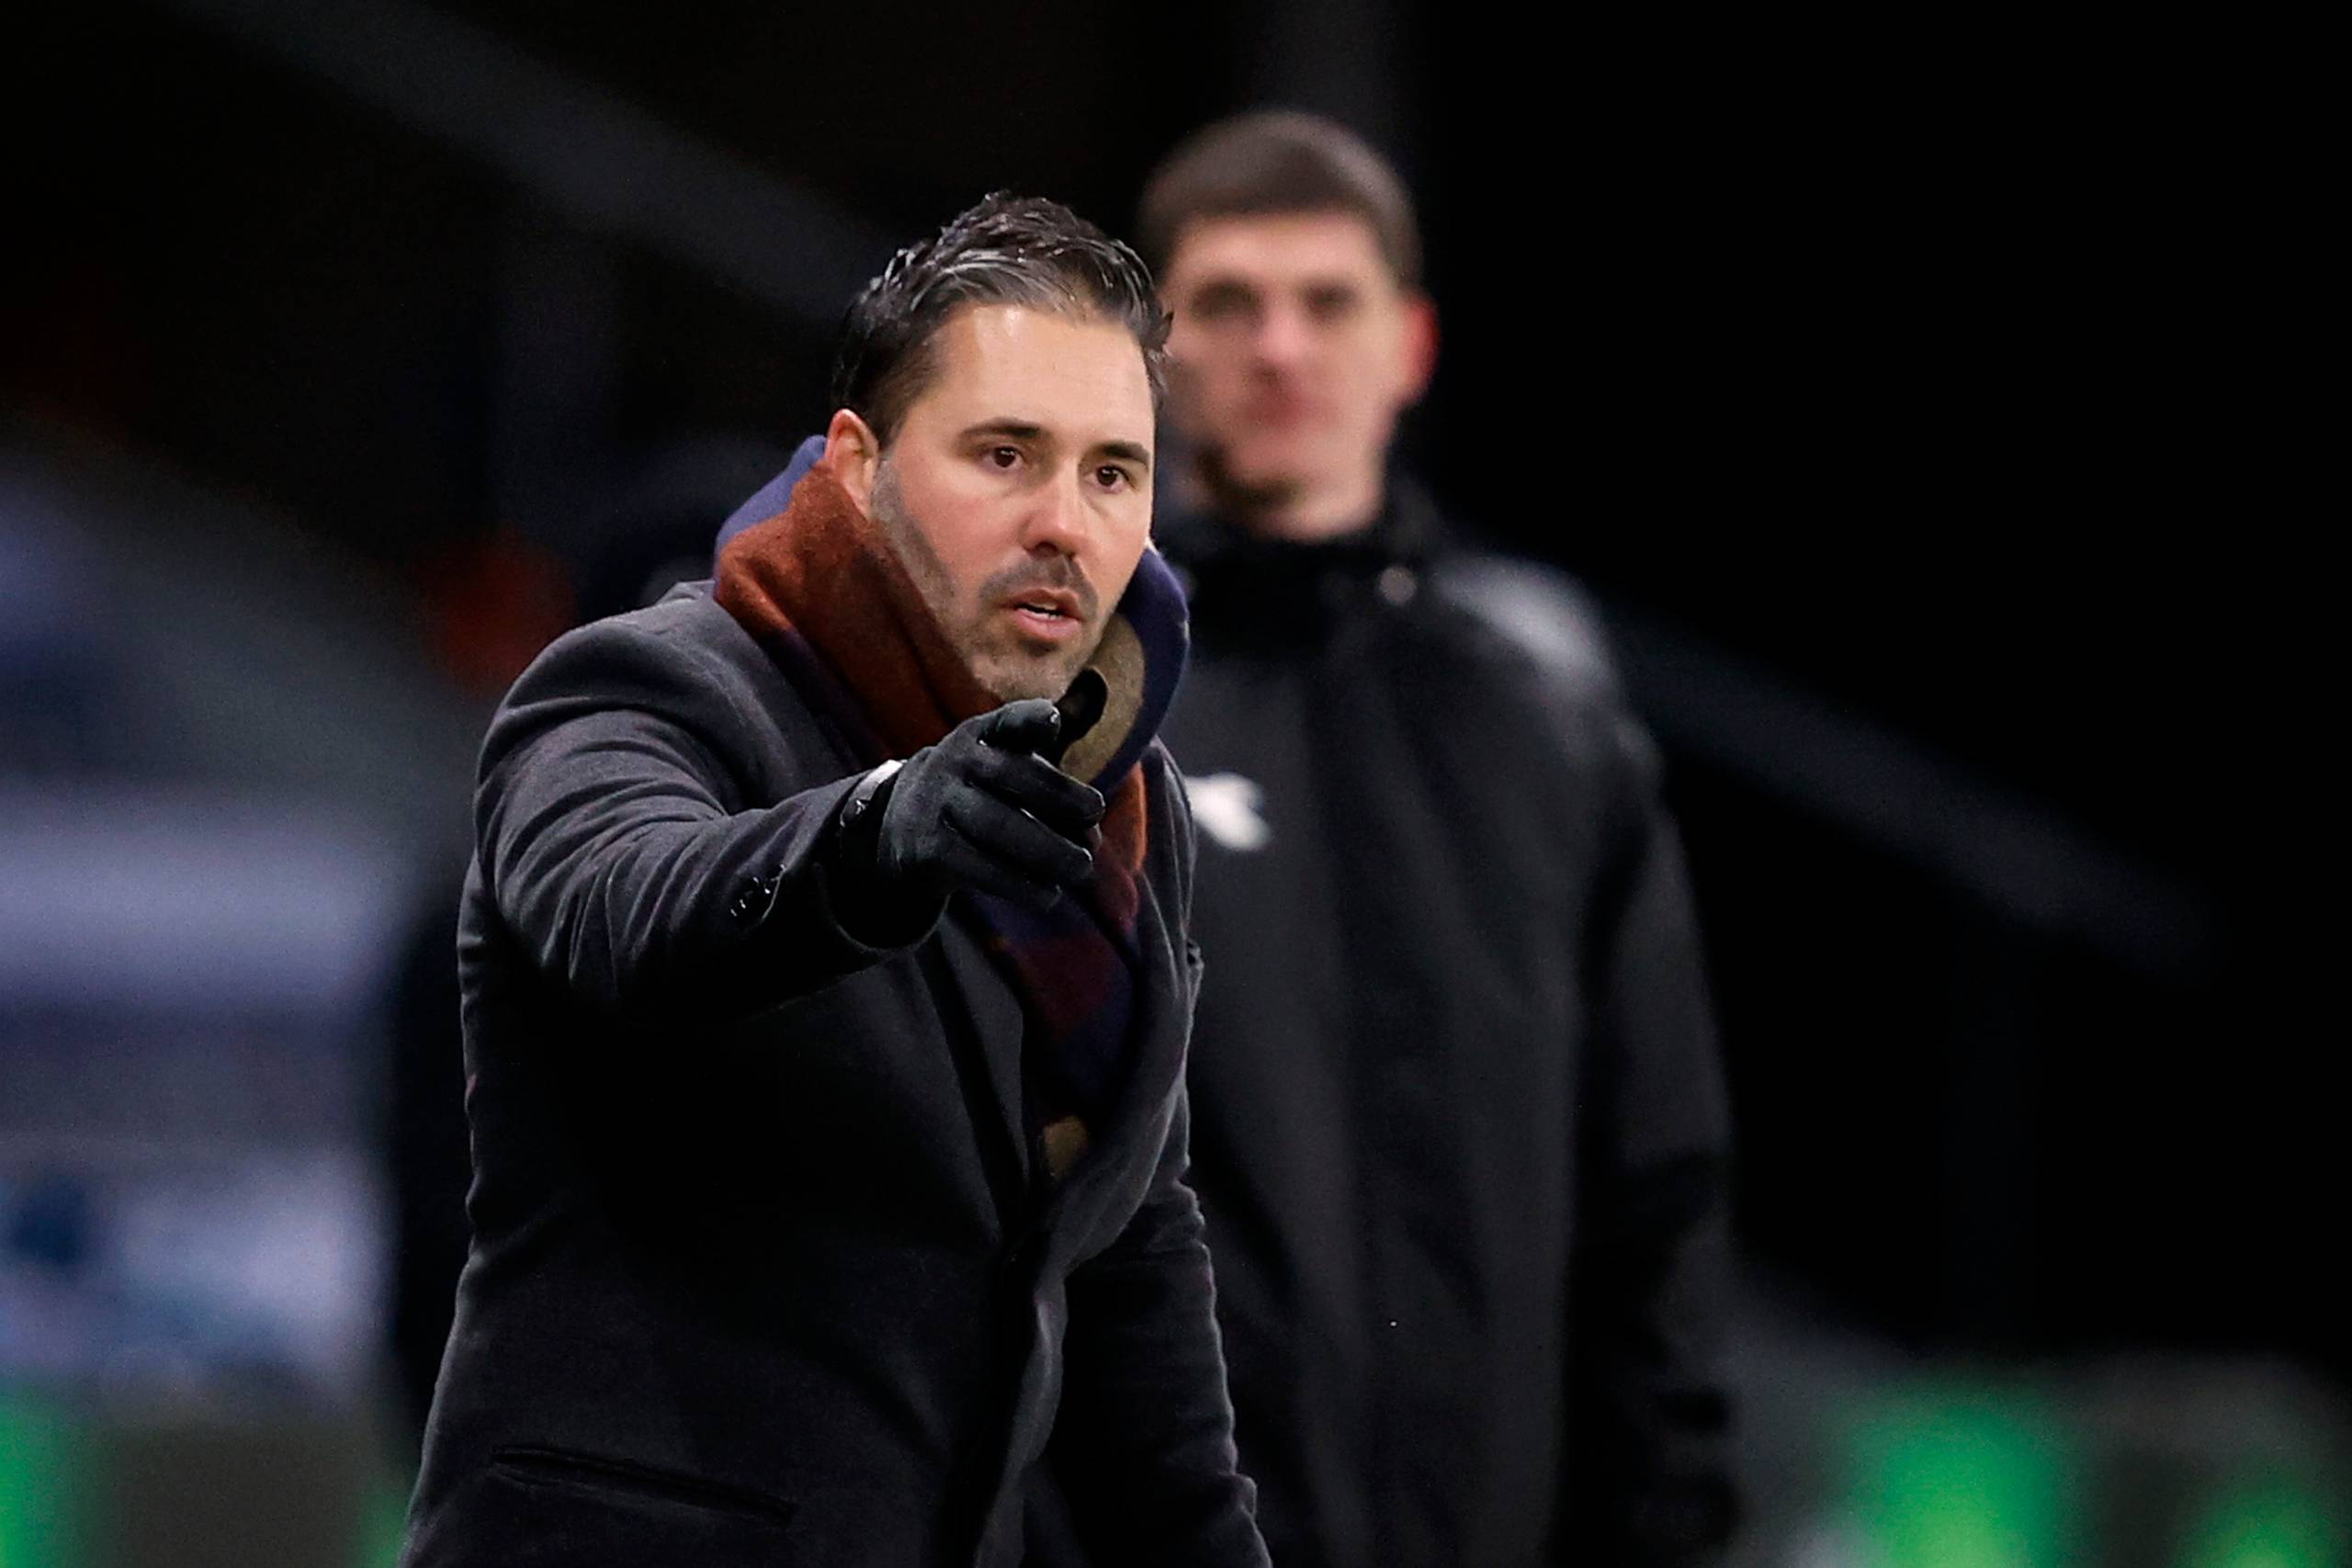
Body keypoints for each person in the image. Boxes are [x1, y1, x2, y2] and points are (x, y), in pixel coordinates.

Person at [401, 194, 1270, 1568]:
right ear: (861, 466)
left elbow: (1129, 1267)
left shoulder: (1120, 798)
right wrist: (877, 833)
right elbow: (635, 907)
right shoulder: (643, 689)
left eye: (1115, 472)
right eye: (1005, 454)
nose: (1065, 522)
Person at [1121, 110, 1740, 1564]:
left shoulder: (1553, 743)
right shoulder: (1075, 718)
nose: (1282, 348)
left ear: (1410, 345)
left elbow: (1655, 1211)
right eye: (1229, 303)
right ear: (1153, 353)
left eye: (1328, 303)